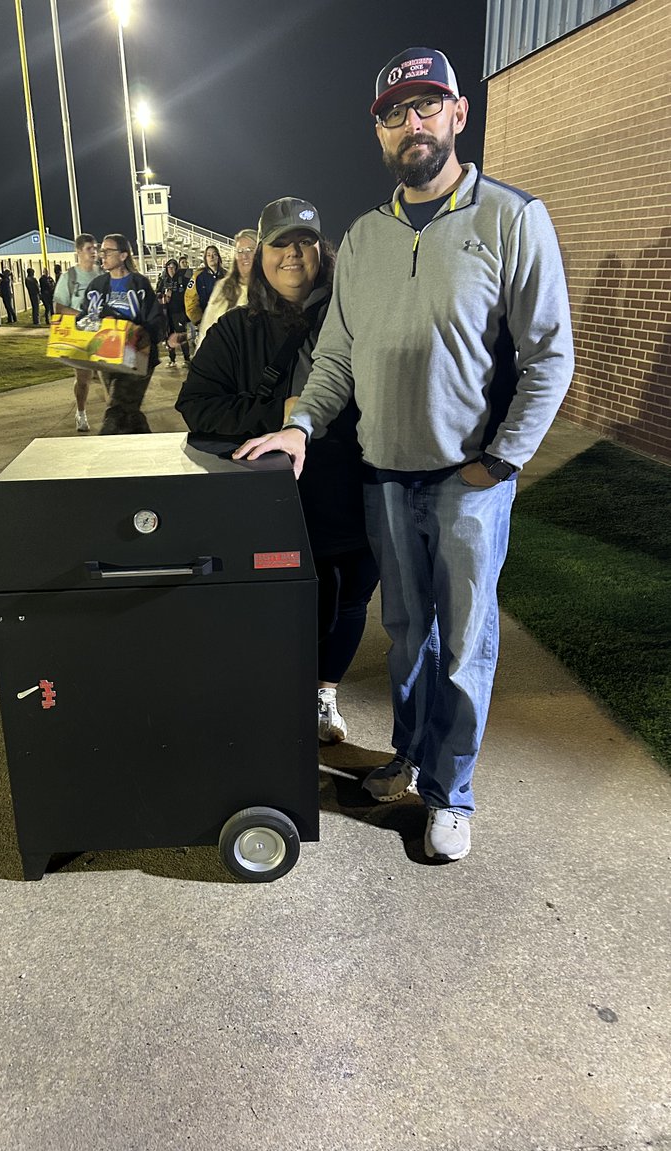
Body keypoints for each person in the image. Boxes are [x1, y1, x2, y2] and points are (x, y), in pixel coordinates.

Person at [234, 48, 575, 862]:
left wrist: (502, 460)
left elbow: (550, 355)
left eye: (427, 107)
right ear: (379, 132)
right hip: (385, 475)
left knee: (464, 644)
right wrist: (302, 425)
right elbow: (338, 357)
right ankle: (413, 759)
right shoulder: (362, 239)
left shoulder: (511, 216)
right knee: (406, 632)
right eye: (395, 112)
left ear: (459, 115)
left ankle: (452, 792)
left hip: (468, 481)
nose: (411, 124)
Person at [177, 198, 377, 743]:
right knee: (273, 599)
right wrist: (279, 413)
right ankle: (269, 692)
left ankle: (323, 694)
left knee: (348, 598)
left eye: (304, 242)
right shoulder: (234, 331)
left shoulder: (359, 319)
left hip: (349, 490)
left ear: (323, 251)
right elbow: (197, 408)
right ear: (258, 256)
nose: (292, 255)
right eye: (279, 244)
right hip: (267, 503)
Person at [86, 233, 164, 434]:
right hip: (107, 356)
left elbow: (154, 320)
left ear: (123, 256)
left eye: (108, 251)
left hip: (136, 356)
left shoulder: (140, 284)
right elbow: (86, 317)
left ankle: (103, 450)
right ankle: (146, 441)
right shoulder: (97, 286)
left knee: (116, 409)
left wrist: (133, 332)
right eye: (101, 251)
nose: (102, 255)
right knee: (128, 409)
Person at [54, 232, 103, 432]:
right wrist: (83, 314)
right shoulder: (69, 277)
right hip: (80, 334)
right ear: (79, 252)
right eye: (89, 248)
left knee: (108, 377)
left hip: (102, 333)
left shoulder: (102, 274)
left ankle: (115, 414)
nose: (94, 252)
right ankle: (81, 413)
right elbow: (59, 307)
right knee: (84, 378)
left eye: (95, 248)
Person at [195, 229, 257, 349]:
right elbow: (206, 331)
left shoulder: (271, 289)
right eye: (240, 251)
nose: (244, 256)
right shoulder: (223, 288)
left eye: (250, 250)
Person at [156, 259, 190, 367]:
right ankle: (172, 360)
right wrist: (163, 297)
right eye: (169, 267)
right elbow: (157, 293)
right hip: (167, 313)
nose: (171, 269)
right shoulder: (163, 280)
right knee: (169, 336)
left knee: (181, 335)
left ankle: (187, 359)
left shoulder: (181, 279)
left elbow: (188, 293)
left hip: (179, 312)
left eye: (173, 267)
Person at [184, 245, 225, 330]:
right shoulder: (198, 276)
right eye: (208, 255)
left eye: (214, 254)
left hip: (225, 322)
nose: (212, 257)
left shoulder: (227, 275)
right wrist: (199, 320)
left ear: (219, 257)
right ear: (205, 258)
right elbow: (190, 300)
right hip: (206, 323)